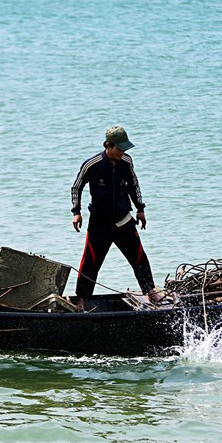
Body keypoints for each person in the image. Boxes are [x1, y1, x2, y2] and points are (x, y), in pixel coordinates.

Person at [70, 126, 160, 311]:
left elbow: (134, 186)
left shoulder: (126, 161)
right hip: (99, 225)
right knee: (90, 263)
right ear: (108, 145)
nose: (122, 152)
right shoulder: (91, 165)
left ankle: (150, 291)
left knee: (139, 258)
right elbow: (76, 187)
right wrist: (76, 212)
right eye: (119, 149)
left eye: (124, 148)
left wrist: (140, 209)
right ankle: (81, 300)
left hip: (124, 221)